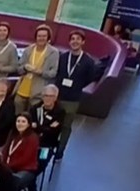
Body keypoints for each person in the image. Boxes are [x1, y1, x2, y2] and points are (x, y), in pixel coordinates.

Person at [55, 30, 94, 158]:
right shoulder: (63, 57)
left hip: (72, 99)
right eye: (72, 39)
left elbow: (90, 78)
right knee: (54, 123)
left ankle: (60, 150)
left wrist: (77, 85)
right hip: (58, 96)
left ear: (83, 42)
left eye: (78, 39)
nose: (75, 41)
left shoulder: (88, 61)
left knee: (66, 126)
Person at [15, 25, 59, 114]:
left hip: (39, 90)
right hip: (23, 87)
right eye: (39, 36)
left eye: (44, 36)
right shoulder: (28, 50)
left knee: (32, 113)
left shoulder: (53, 52)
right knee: (18, 108)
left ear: (48, 38)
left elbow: (53, 73)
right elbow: (18, 68)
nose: (41, 38)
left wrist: (41, 72)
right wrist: (25, 67)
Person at [2, 113, 40, 191]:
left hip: (26, 168)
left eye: (23, 121)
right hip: (9, 166)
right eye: (18, 121)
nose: (20, 124)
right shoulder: (12, 134)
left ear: (28, 124)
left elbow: (26, 158)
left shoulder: (33, 138)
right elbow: (5, 150)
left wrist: (7, 167)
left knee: (13, 181)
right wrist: (3, 164)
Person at [29, 84, 65, 150]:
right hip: (33, 141)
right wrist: (46, 127)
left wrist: (37, 126)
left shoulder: (60, 111)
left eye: (51, 96)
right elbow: (30, 126)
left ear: (55, 98)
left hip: (48, 144)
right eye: (45, 95)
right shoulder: (34, 108)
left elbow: (53, 131)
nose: (47, 98)